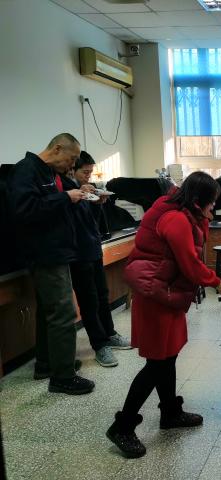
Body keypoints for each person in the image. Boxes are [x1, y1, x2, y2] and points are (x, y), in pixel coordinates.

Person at [107, 172, 221, 458]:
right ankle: (122, 427)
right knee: (156, 363)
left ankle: (170, 413)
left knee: (168, 356)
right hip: (155, 296)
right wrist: (219, 283)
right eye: (212, 202)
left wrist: (204, 217)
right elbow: (190, 264)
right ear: (197, 201)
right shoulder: (176, 220)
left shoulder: (184, 212)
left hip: (165, 293)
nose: (214, 207)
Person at [9, 133, 94, 394]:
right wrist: (65, 197)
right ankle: (63, 377)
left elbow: (51, 207)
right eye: (71, 158)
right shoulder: (26, 171)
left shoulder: (48, 172)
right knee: (63, 313)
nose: (72, 165)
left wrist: (77, 196)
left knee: (50, 312)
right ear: (57, 149)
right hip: (45, 254)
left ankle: (47, 364)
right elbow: (24, 210)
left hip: (57, 250)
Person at [66, 151, 131, 368]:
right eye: (85, 172)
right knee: (89, 300)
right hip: (78, 254)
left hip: (93, 249)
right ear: (73, 170)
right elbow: (70, 222)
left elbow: (92, 223)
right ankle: (99, 345)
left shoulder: (88, 190)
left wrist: (98, 204)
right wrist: (79, 196)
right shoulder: (68, 191)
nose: (88, 176)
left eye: (90, 172)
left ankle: (109, 334)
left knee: (102, 295)